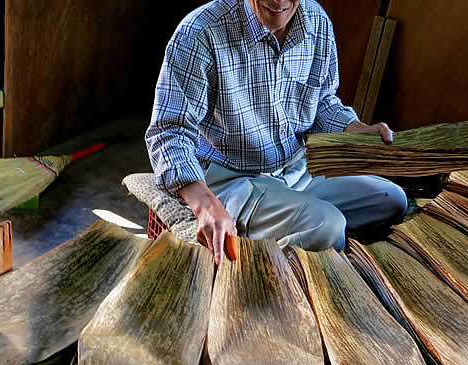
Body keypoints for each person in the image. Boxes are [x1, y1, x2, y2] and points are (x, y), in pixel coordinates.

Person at [146, 0, 406, 263]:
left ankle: (300, 219)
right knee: (329, 226)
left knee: (392, 200)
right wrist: (206, 206)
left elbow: (323, 102)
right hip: (236, 181)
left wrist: (355, 129)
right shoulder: (201, 31)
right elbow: (169, 132)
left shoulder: (316, 21)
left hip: (297, 171)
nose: (279, 1)